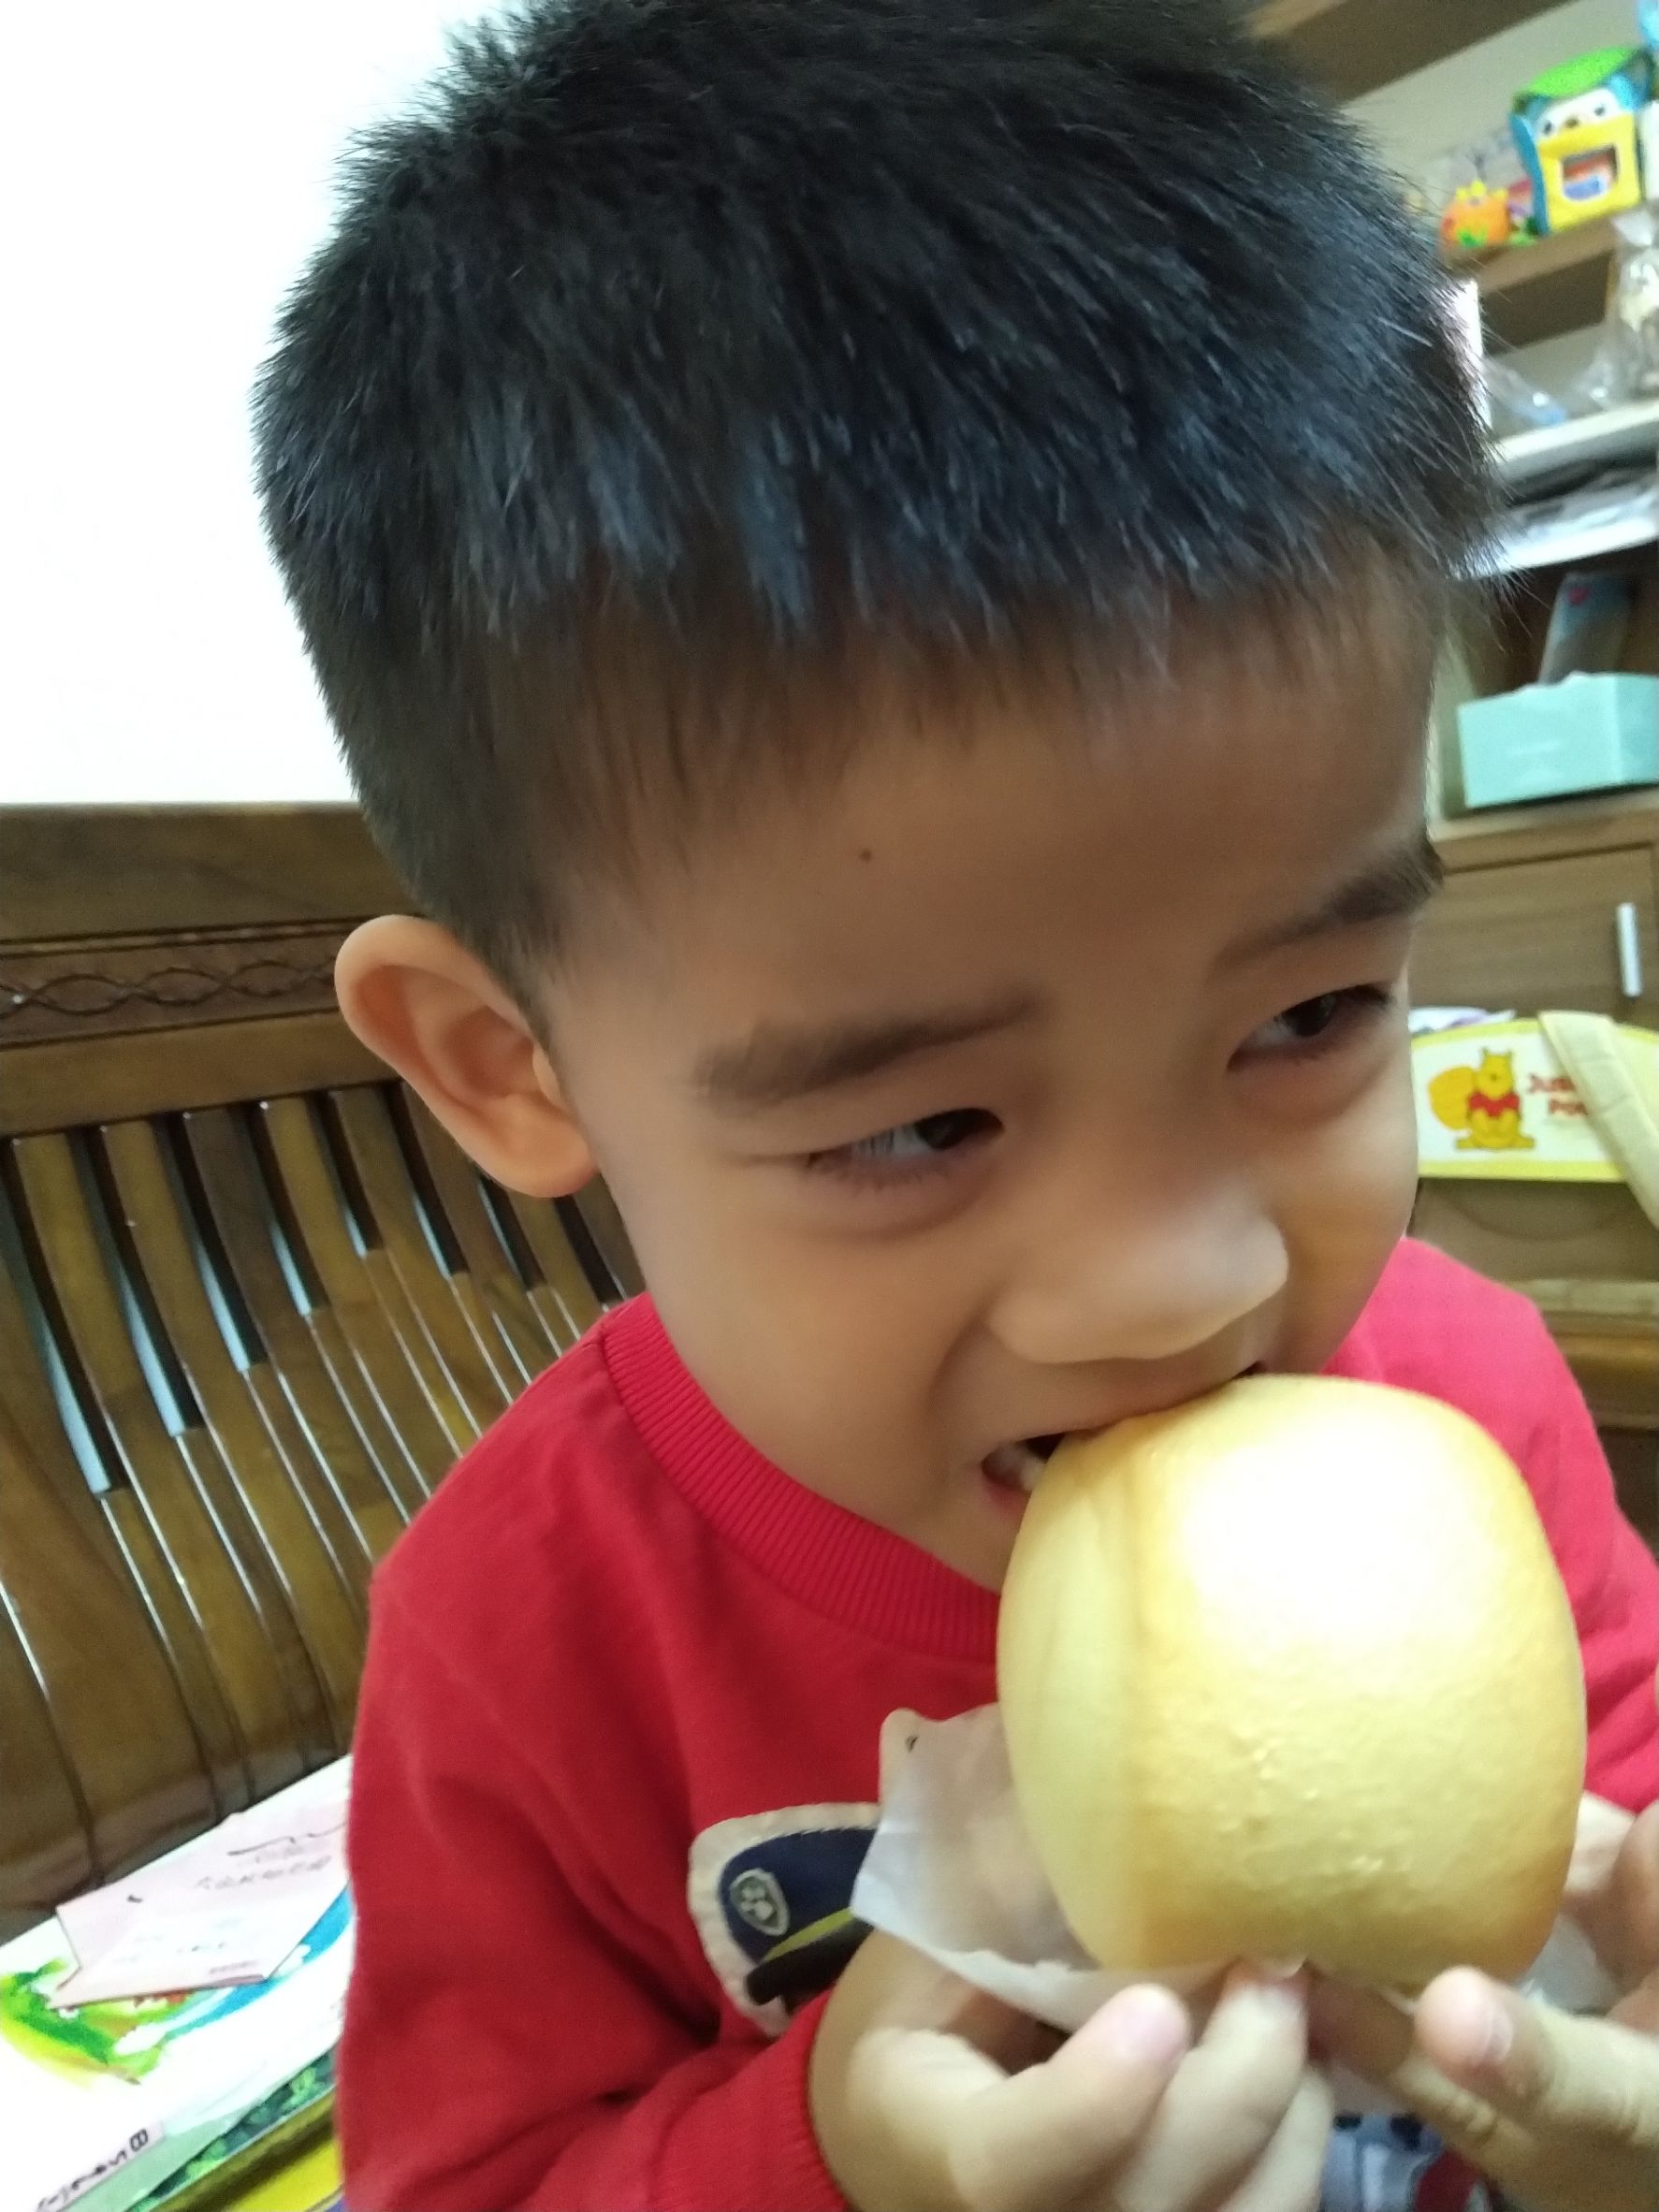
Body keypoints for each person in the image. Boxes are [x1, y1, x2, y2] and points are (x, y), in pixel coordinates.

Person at [254, 3, 1659, 2205]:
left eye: (1306, 1017)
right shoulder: (528, 1632)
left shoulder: (1474, 1402)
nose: (1178, 1285)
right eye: (915, 1130)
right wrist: (823, 2151)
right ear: (508, 1070)